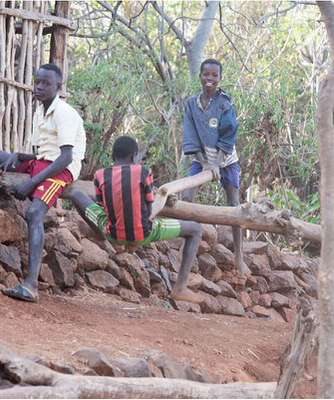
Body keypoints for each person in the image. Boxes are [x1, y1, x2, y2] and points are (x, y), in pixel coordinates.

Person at [0, 63, 86, 302]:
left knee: (34, 213)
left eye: (46, 83)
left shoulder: (64, 113)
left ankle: (31, 285)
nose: (40, 87)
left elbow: (65, 157)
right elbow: (43, 153)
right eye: (38, 82)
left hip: (61, 170)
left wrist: (32, 184)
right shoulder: (40, 112)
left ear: (58, 87)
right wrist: (21, 157)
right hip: (43, 163)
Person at [71, 136, 205, 304]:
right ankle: (180, 288)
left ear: (112, 157)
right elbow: (149, 209)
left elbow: (102, 205)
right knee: (195, 229)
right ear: (134, 156)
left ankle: (98, 233)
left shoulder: (100, 175)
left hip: (111, 232)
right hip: (144, 233)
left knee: (76, 194)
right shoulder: (143, 172)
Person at [181, 58, 251, 276]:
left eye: (214, 75)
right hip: (201, 158)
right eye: (206, 74)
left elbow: (229, 133)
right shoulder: (191, 104)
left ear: (220, 79)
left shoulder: (225, 104)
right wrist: (204, 163)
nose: (209, 79)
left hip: (226, 160)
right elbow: (190, 135)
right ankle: (186, 248)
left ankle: (239, 256)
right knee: (187, 198)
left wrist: (217, 163)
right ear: (200, 76)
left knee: (234, 205)